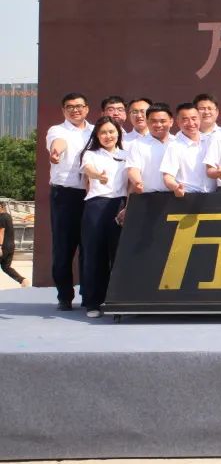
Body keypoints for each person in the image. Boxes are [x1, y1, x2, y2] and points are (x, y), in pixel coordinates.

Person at [46, 91, 93, 310]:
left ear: (87, 109)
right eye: (70, 107)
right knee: (64, 246)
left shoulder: (96, 131)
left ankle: (89, 293)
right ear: (63, 110)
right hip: (65, 194)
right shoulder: (57, 130)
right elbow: (59, 143)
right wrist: (56, 152)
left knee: (90, 246)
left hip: (92, 194)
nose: (75, 110)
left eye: (79, 106)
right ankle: (64, 295)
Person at [78, 116, 128, 317]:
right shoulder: (91, 154)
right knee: (94, 254)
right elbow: (88, 169)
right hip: (97, 206)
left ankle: (117, 300)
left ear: (118, 133)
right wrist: (98, 175)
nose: (108, 136)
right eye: (103, 133)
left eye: (111, 131)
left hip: (121, 205)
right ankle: (93, 302)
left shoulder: (127, 154)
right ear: (97, 136)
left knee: (119, 254)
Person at [161, 103, 216, 196]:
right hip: (188, 196)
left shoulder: (210, 141)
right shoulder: (174, 146)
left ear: (199, 119)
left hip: (213, 196)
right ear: (178, 122)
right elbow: (168, 176)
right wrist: (176, 187)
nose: (191, 123)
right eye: (185, 119)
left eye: (194, 119)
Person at [125, 103, 175, 194]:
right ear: (147, 122)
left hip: (177, 194)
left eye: (163, 121)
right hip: (148, 196)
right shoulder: (137, 144)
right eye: (154, 121)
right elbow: (133, 169)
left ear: (171, 122)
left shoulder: (177, 143)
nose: (158, 125)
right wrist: (137, 182)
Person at [0, 201, 29, 287]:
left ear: (1, 207)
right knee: (6, 267)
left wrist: (0, 246)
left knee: (6, 267)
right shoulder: (8, 216)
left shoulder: (1, 218)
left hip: (3, 246)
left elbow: (1, 232)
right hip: (11, 246)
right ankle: (22, 280)